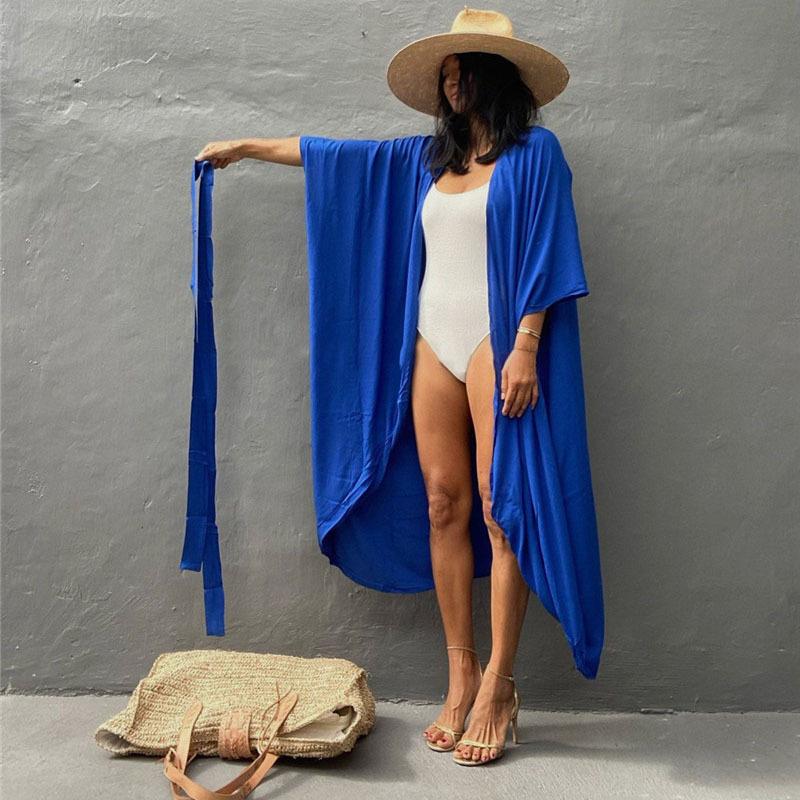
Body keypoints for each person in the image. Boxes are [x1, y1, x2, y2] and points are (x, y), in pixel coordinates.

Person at [195, 7, 603, 768]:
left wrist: (526, 346)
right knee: (443, 502)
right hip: (431, 342)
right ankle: (461, 674)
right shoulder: (425, 160)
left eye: (460, 69)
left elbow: (549, 248)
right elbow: (333, 158)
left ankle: (500, 685)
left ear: (493, 76)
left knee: (502, 508)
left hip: (498, 340)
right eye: (443, 73)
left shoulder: (535, 154)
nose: (450, 83)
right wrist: (246, 148)